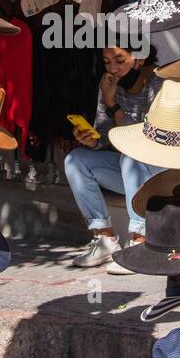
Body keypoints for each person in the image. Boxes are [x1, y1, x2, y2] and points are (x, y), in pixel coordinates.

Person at [64, 38, 163, 271]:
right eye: (107, 62)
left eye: (120, 60)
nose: (113, 69)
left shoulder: (159, 86)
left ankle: (140, 241)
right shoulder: (109, 86)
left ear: (139, 59)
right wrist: (91, 140)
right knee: (75, 160)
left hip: (160, 173)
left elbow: (143, 140)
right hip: (131, 173)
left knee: (130, 155)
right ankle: (105, 239)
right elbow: (105, 135)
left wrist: (113, 105)